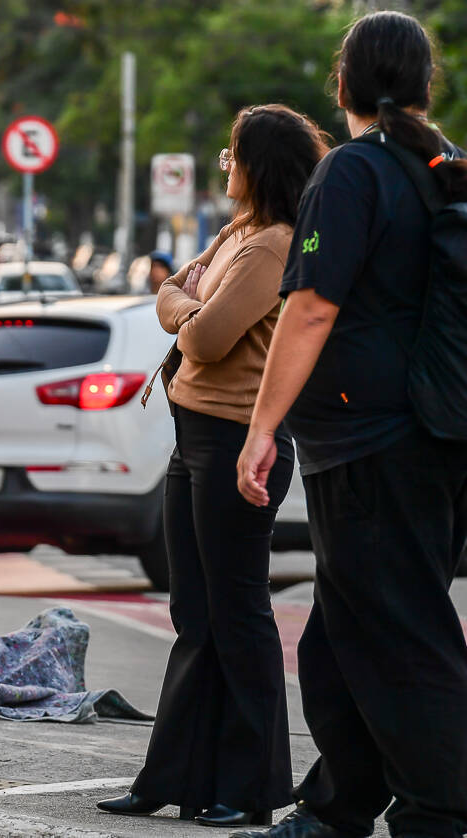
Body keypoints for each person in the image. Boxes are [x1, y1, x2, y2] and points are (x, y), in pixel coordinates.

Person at [234, 12, 467, 838]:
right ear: (422, 83)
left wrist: (261, 429)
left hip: (374, 446)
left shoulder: (354, 172)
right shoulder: (440, 167)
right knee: (339, 642)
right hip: (430, 437)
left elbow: (310, 309)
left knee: (401, 639)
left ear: (343, 84)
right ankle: (337, 806)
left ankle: (438, 812)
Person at [98, 105, 329, 828]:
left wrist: (182, 303)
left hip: (237, 442)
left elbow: (202, 339)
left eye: (231, 155)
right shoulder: (235, 234)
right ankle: (169, 777)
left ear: (257, 164)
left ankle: (249, 786)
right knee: (192, 614)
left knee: (237, 614)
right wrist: (182, 301)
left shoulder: (271, 246)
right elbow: (171, 294)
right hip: (190, 435)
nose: (223, 165)